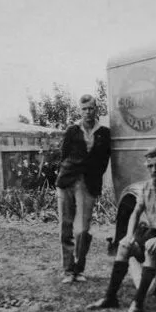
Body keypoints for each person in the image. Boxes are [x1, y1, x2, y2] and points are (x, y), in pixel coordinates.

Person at [87, 148, 156, 312]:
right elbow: (135, 212)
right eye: (150, 166)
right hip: (150, 232)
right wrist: (128, 236)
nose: (154, 170)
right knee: (124, 247)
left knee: (150, 246)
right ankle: (110, 297)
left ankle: (138, 302)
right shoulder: (146, 186)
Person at [55, 94, 111, 284]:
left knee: (83, 230)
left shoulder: (104, 132)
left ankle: (79, 269)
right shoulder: (72, 130)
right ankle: (68, 270)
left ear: (97, 109)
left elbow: (104, 160)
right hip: (67, 182)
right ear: (80, 110)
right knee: (66, 227)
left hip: (88, 184)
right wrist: (68, 173)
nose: (88, 112)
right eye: (84, 109)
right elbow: (63, 155)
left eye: (91, 108)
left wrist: (93, 176)